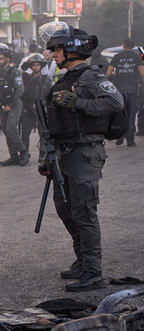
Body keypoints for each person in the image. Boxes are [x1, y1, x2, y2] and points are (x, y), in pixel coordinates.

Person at [38, 22, 125, 292]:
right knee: (66, 209)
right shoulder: (65, 80)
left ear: (71, 50)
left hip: (85, 152)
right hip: (65, 153)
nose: (53, 54)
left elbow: (116, 102)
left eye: (56, 50)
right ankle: (82, 261)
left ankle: (93, 272)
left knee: (84, 213)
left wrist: (79, 103)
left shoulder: (90, 76)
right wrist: (46, 157)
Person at [0, 43, 28, 166]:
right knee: (6, 130)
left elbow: (20, 90)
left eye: (1, 58)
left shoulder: (14, 72)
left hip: (14, 104)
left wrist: (10, 104)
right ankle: (13, 156)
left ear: (8, 58)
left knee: (11, 129)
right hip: (4, 105)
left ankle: (24, 151)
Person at [106, 38, 144, 147]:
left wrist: (115, 74)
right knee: (131, 114)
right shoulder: (136, 57)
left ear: (123, 46)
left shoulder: (117, 57)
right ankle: (130, 140)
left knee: (120, 113)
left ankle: (120, 136)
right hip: (132, 89)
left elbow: (108, 73)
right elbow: (142, 72)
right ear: (134, 46)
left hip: (119, 89)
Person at [21, 53, 54, 151]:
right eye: (34, 65)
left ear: (41, 66)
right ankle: (25, 153)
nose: (35, 67)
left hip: (41, 108)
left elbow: (52, 93)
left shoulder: (46, 79)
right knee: (25, 133)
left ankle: (43, 153)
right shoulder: (26, 78)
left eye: (38, 65)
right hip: (28, 108)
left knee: (43, 132)